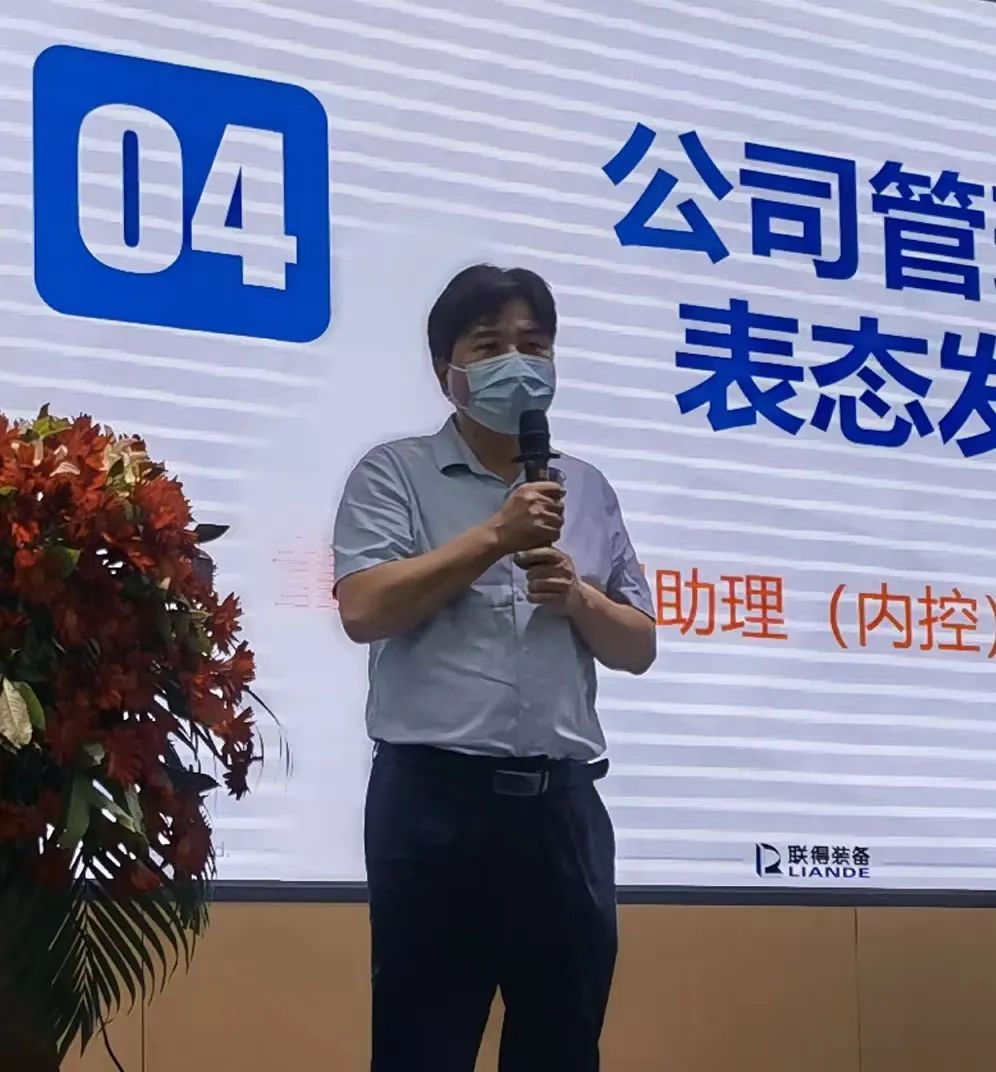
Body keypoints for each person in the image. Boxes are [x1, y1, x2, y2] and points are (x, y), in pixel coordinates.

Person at [333, 264, 656, 1072]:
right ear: (447, 369)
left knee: (563, 1044)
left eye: (534, 345)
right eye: (490, 345)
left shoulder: (587, 488)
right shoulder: (394, 473)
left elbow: (638, 646)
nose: (518, 362)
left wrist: (578, 599)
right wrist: (493, 539)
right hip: (436, 805)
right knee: (423, 1046)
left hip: (564, 810)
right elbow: (364, 609)